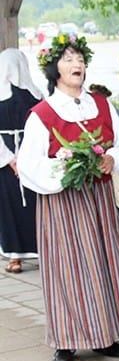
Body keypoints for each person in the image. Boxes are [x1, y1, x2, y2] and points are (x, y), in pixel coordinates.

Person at [17, 33, 119, 361]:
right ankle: (66, 340)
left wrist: (113, 158)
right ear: (54, 68)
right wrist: (65, 165)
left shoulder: (100, 104)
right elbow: (29, 165)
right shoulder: (42, 114)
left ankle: (106, 335)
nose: (77, 65)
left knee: (105, 264)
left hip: (100, 197)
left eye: (80, 59)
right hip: (64, 204)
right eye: (69, 59)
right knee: (67, 269)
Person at [0, 47, 43, 274]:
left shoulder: (35, 94)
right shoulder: (36, 94)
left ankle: (22, 256)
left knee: (28, 205)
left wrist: (16, 160)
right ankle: (17, 254)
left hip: (25, 156)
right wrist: (10, 159)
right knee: (14, 207)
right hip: (14, 158)